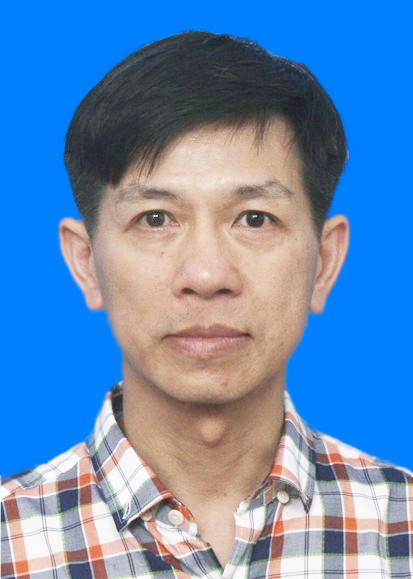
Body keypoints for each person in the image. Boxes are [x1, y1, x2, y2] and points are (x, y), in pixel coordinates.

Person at [1, 30, 412, 578]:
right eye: (155, 219)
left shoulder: (402, 527)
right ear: (85, 262)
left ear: (324, 262)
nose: (207, 275)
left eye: (255, 219)